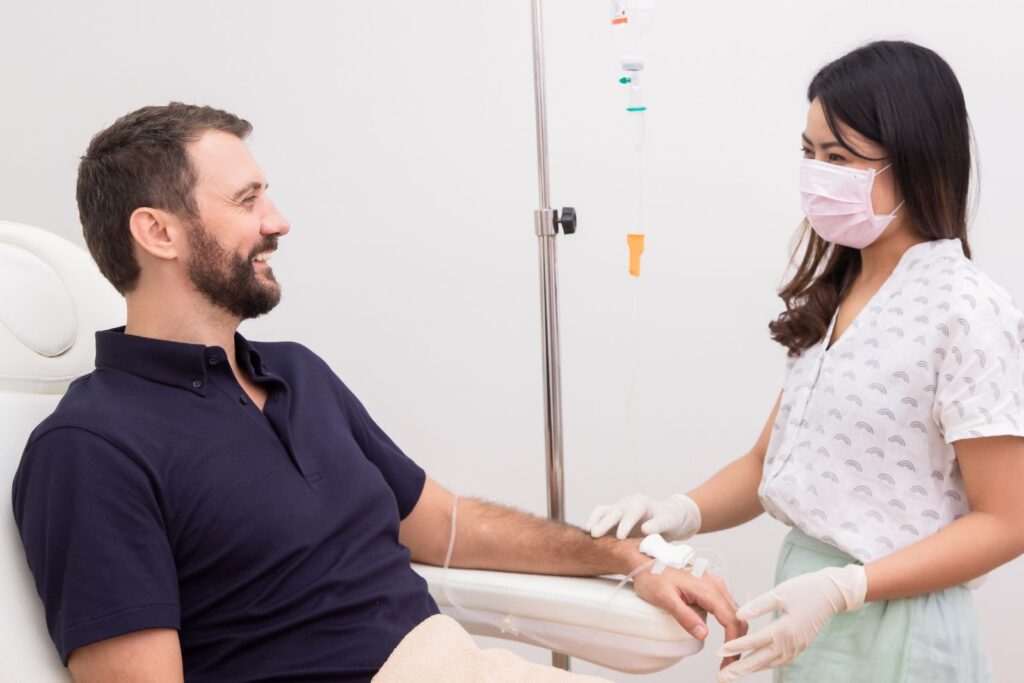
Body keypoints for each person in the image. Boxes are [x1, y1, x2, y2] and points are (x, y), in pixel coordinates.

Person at [11, 103, 744, 682]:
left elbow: (447, 524)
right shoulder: (92, 447)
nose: (279, 220)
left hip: (454, 663)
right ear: (158, 232)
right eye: (247, 200)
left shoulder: (296, 374)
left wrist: (626, 558)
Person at [587, 40, 1024, 682]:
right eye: (810, 152)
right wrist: (675, 511)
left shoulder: (965, 310)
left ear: (917, 160)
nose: (818, 173)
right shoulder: (840, 297)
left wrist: (846, 588)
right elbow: (769, 463)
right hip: (809, 608)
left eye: (840, 157)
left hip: (895, 624)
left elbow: (1008, 520)